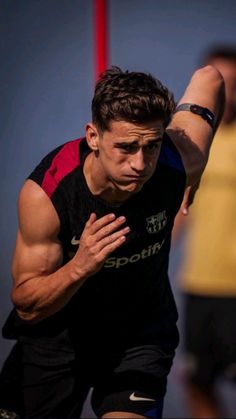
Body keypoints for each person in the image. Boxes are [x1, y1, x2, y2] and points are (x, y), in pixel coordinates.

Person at [0, 64, 224, 419]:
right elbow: (27, 304)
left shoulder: (179, 159)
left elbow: (210, 77)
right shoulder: (47, 194)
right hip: (57, 342)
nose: (140, 163)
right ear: (93, 137)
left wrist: (195, 176)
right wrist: (79, 267)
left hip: (139, 338)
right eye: (126, 146)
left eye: (151, 146)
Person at [173, 45, 236, 418]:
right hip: (198, 284)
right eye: (221, 82)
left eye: (234, 83)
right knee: (198, 382)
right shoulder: (191, 143)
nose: (227, 91)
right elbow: (179, 211)